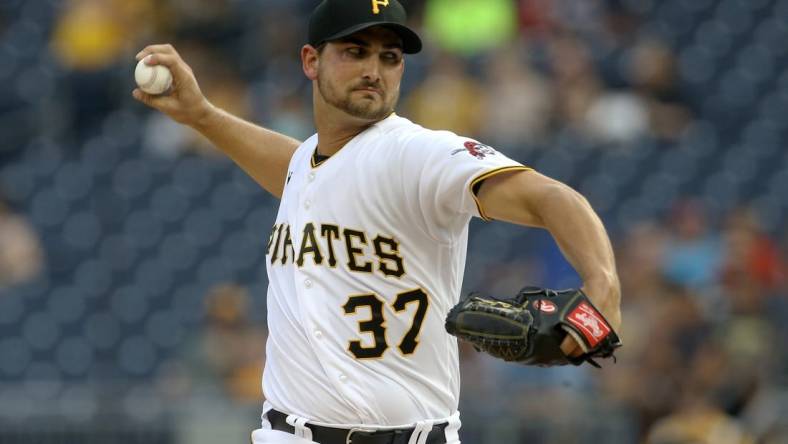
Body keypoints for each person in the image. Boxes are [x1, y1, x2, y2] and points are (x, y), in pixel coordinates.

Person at [133, 1, 622, 443]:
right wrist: (201, 115)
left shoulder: (418, 153)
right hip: (287, 434)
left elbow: (551, 198)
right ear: (310, 61)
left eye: (390, 57)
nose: (374, 69)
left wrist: (603, 287)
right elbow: (296, 168)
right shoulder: (309, 165)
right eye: (356, 51)